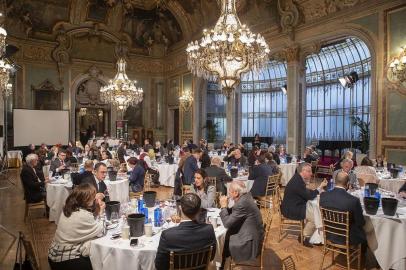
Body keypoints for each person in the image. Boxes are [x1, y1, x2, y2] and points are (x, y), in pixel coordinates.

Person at [48, 183, 105, 270]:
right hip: (65, 260)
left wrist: (96, 209)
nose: (95, 199)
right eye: (93, 197)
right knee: (100, 262)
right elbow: (101, 231)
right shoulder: (82, 215)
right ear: (85, 199)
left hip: (54, 253)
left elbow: (87, 223)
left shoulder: (69, 208)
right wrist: (101, 212)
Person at [155, 193, 217, 270]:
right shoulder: (209, 229)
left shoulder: (167, 235)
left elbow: (159, 265)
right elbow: (211, 257)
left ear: (180, 208)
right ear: (199, 210)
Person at [281, 163, 327, 247]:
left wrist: (318, 189)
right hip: (291, 209)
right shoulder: (298, 182)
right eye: (309, 171)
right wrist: (319, 188)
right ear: (303, 171)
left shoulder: (298, 178)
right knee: (315, 216)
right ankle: (304, 237)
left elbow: (306, 193)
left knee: (315, 211)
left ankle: (314, 236)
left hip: (293, 205)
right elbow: (309, 196)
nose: (311, 173)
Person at [219, 181, 263, 264]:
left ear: (235, 193)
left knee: (223, 243)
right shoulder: (246, 196)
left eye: (229, 191)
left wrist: (223, 207)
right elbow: (236, 212)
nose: (228, 193)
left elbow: (227, 223)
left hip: (250, 242)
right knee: (226, 236)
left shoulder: (242, 203)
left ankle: (221, 264)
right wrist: (226, 208)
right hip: (253, 233)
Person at [319, 171, 366, 245]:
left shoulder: (323, 195)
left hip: (329, 234)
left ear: (335, 181)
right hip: (347, 237)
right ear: (347, 184)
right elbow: (361, 222)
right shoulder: (354, 200)